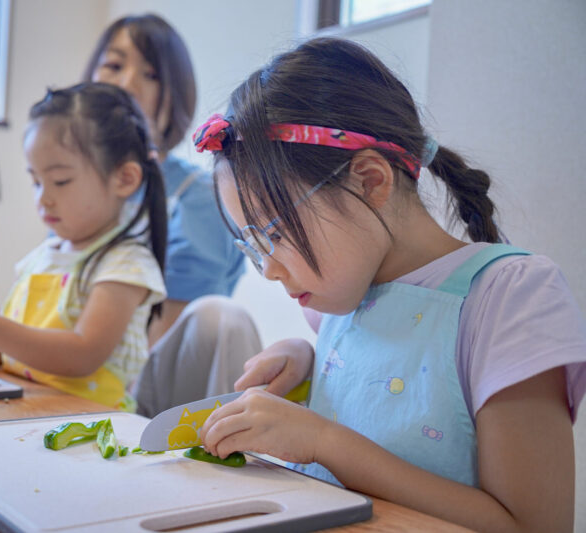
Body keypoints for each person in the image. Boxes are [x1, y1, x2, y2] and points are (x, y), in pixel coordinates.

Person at [193, 37, 586, 531]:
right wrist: (309, 365)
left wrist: (325, 442)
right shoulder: (335, 304)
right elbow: (384, 388)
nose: (269, 269)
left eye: (275, 233)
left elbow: (532, 525)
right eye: (252, 245)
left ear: (371, 181)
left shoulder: (510, 297)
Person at [0, 83, 168, 411]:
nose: (43, 198)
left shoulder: (127, 264)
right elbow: (5, 348)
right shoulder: (41, 257)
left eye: (60, 181)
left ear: (124, 179)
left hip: (90, 424)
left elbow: (82, 354)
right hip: (25, 405)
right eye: (36, 182)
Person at [85, 13, 261, 416]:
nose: (127, 84)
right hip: (74, 372)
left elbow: (164, 335)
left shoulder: (195, 196)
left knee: (220, 318)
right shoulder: (77, 189)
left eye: (150, 74)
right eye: (113, 65)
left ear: (176, 95)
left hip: (142, 386)